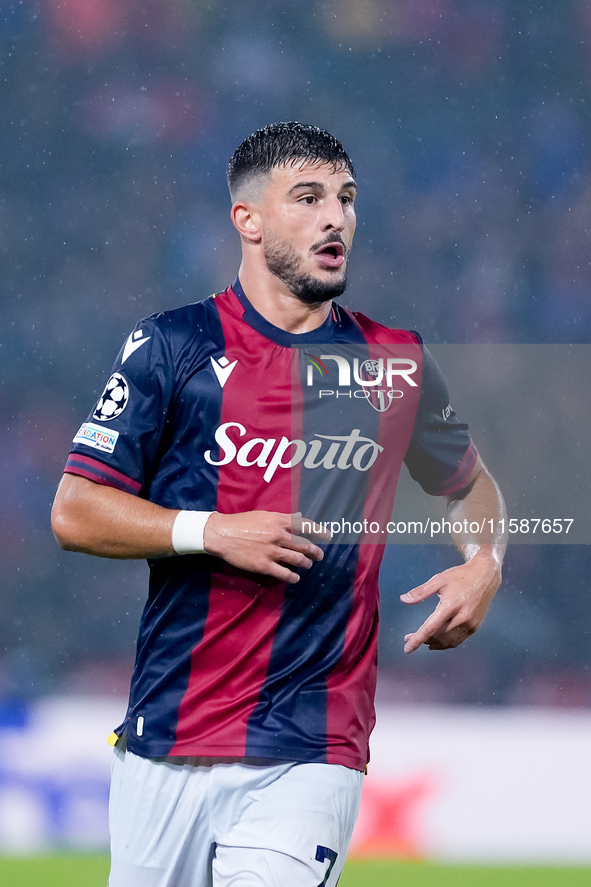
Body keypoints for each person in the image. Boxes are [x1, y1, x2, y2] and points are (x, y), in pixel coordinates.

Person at [51, 122, 506, 887]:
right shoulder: (173, 346)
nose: (337, 217)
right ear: (249, 220)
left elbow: (470, 485)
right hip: (168, 734)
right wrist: (210, 530)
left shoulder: (391, 361)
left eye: (347, 199)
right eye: (309, 197)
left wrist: (483, 562)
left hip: (310, 742)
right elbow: (74, 510)